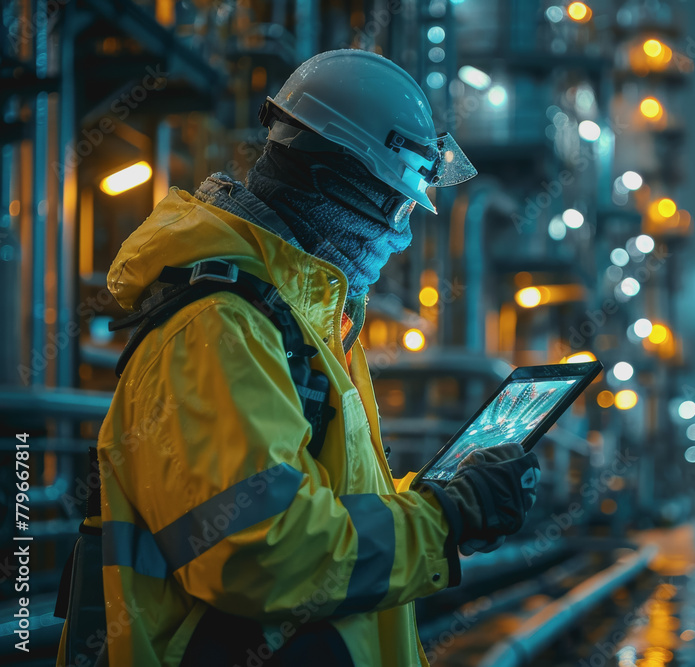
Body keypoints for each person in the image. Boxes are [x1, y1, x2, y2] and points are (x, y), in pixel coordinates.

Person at [58, 49, 540, 666]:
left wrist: (443, 497)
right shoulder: (221, 327)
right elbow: (260, 551)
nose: (401, 235)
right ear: (333, 184)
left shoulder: (302, 320)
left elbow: (323, 502)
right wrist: (443, 521)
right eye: (395, 206)